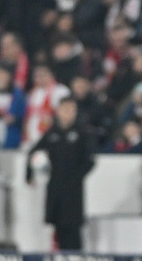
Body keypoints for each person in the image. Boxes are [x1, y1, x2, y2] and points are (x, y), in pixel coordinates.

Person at [26, 98, 95, 250]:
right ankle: (60, 258)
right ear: (58, 111)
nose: (67, 113)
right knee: (58, 225)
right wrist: (29, 175)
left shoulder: (83, 133)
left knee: (73, 227)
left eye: (71, 110)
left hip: (73, 187)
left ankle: (75, 260)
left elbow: (90, 160)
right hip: (55, 184)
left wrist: (76, 178)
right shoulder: (52, 133)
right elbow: (33, 152)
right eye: (64, 109)